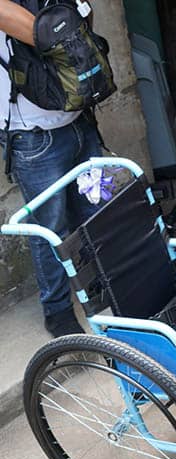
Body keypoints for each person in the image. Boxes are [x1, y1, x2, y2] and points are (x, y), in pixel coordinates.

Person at [0, 0, 103, 337]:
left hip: (79, 118)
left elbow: (83, 21)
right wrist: (65, 24)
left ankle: (101, 287)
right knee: (49, 229)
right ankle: (57, 311)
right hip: (33, 134)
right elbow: (50, 33)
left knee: (94, 211)